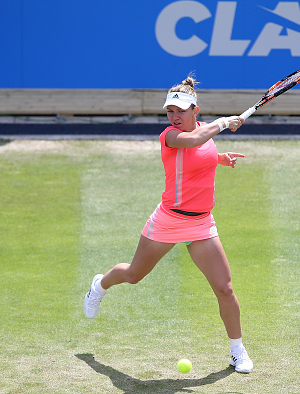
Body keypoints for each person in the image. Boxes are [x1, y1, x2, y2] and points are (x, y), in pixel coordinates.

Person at [83, 75, 254, 374]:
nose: (174, 117)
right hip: (168, 220)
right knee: (134, 275)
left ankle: (237, 350)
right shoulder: (170, 136)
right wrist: (226, 122)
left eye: (181, 111)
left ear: (195, 111)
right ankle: (100, 285)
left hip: (202, 223)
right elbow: (193, 142)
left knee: (225, 289)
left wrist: (220, 158)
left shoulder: (205, 132)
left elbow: (202, 152)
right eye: (170, 111)